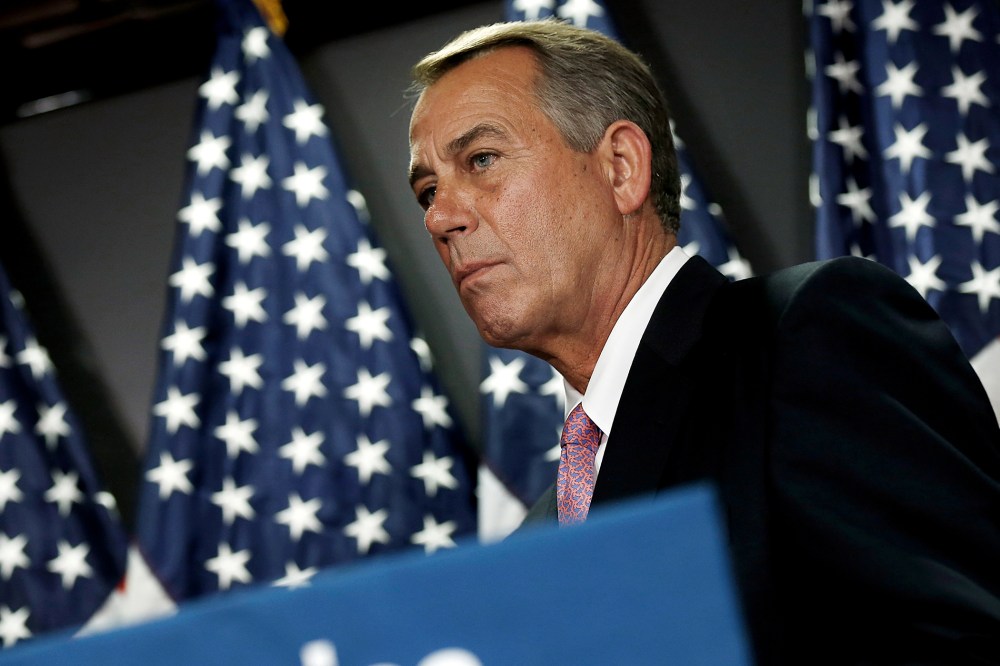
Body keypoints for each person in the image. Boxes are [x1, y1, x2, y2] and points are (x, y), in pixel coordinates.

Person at [405, 18, 1000, 665]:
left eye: (481, 160)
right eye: (428, 190)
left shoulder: (802, 339)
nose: (440, 217)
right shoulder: (542, 536)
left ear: (622, 168)